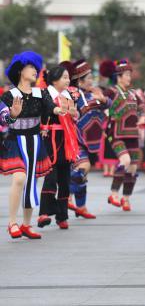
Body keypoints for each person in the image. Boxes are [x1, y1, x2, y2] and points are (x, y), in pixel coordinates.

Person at [1, 52, 60, 239]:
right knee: (19, 178)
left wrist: (61, 109)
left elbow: (51, 107)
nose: (36, 71)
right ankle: (12, 223)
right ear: (20, 70)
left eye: (36, 67)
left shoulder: (40, 93)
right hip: (15, 141)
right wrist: (13, 114)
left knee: (31, 182)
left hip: (35, 141)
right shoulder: (9, 95)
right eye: (31, 67)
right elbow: (4, 119)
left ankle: (26, 225)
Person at [37, 64, 81, 229]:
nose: (68, 80)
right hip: (50, 138)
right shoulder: (45, 94)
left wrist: (74, 113)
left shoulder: (69, 95)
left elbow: (75, 114)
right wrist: (57, 110)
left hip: (67, 139)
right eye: (64, 77)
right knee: (51, 176)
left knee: (65, 179)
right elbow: (45, 111)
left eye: (68, 77)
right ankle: (44, 213)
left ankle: (62, 216)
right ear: (54, 80)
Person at [101, 59, 145, 211]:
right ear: (119, 77)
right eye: (127, 75)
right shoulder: (111, 92)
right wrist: (105, 107)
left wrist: (143, 117)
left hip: (133, 134)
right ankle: (114, 194)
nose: (129, 77)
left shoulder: (133, 93)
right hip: (116, 134)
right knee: (125, 160)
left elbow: (143, 107)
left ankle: (126, 198)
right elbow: (102, 104)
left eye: (129, 74)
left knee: (133, 168)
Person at [70, 59, 103, 219]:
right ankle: (67, 195)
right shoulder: (74, 95)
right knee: (83, 167)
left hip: (92, 141)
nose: (91, 81)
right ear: (80, 81)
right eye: (89, 78)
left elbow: (109, 105)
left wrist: (103, 99)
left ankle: (81, 207)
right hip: (77, 138)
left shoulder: (93, 94)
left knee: (82, 174)